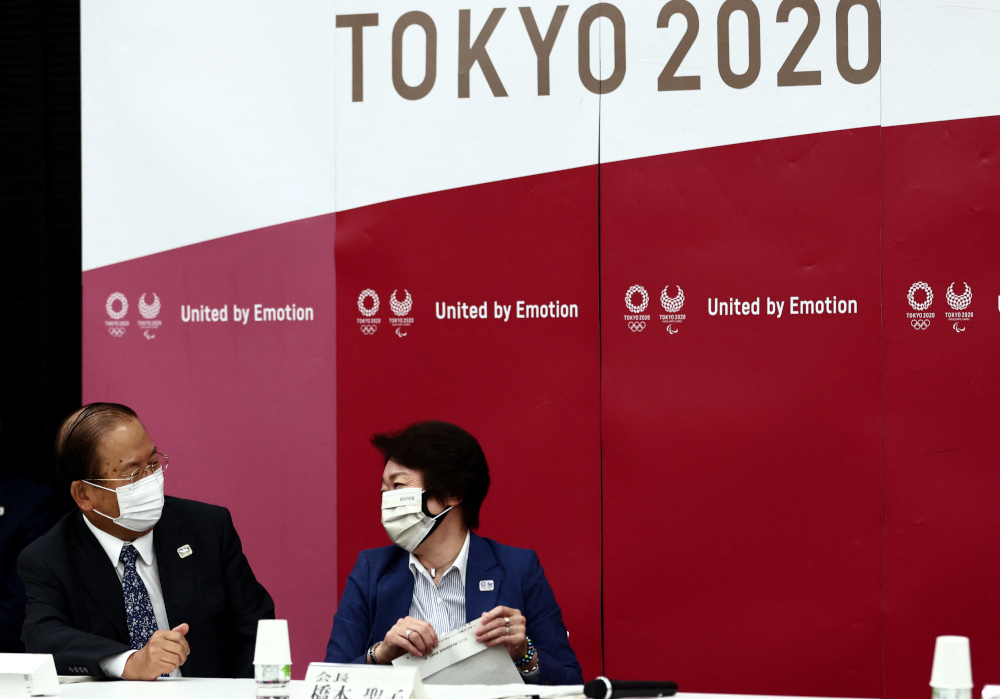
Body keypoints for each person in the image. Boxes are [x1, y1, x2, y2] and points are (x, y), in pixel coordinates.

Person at [17, 403, 274, 679]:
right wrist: (129, 662)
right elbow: (44, 637)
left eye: (152, 463)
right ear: (84, 494)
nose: (151, 480)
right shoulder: (49, 558)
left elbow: (256, 625)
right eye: (132, 473)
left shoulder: (206, 528)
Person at [325, 420, 582, 685]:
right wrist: (380, 654)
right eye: (384, 490)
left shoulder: (518, 569)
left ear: (452, 492)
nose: (387, 500)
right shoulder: (371, 570)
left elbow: (571, 682)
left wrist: (523, 654)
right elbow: (328, 682)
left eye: (398, 486)